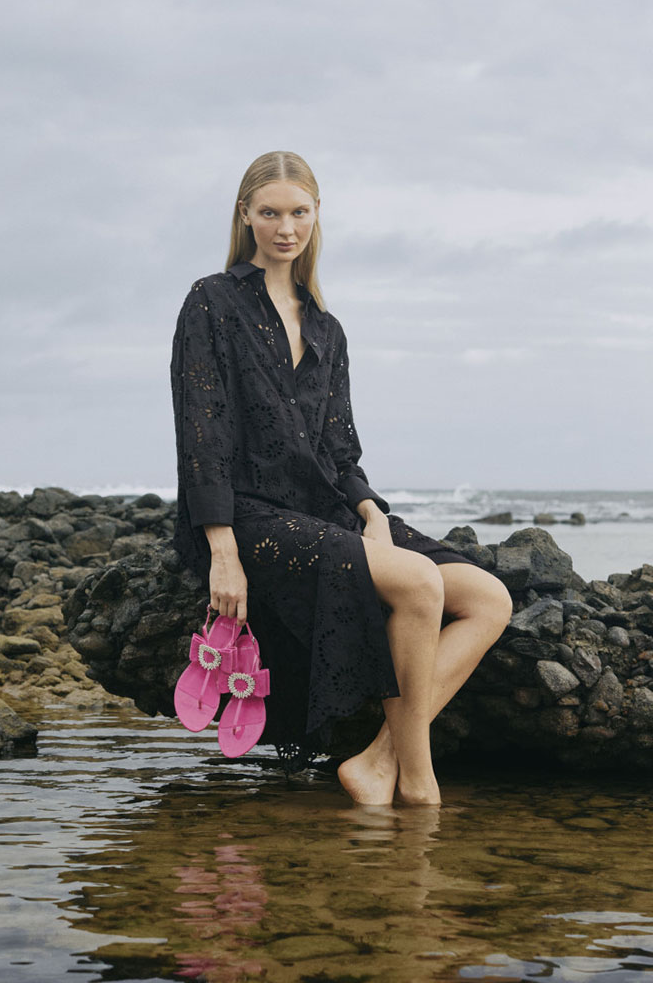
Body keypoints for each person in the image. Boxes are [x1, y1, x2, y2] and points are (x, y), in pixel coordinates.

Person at [169, 150, 513, 806]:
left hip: (326, 508)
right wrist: (222, 549)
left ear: (316, 215)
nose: (285, 228)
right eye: (270, 213)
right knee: (416, 582)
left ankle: (379, 762)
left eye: (299, 212)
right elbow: (202, 430)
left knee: (487, 598)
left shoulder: (327, 327)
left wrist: (371, 510)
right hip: (250, 513)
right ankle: (420, 782)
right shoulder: (211, 303)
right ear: (245, 215)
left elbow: (339, 447)